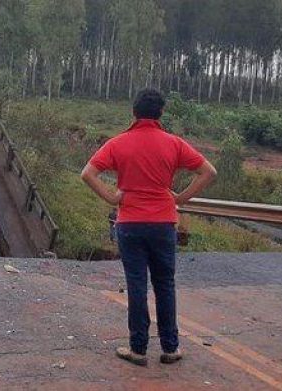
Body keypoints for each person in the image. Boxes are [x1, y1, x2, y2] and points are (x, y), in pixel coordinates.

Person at [81, 89, 217, 366]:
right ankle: (170, 348)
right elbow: (208, 172)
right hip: (163, 223)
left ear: (134, 113)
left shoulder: (118, 143)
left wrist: (111, 197)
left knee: (137, 285)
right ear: (161, 114)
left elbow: (88, 174)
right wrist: (179, 198)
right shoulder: (174, 144)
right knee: (165, 284)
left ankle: (138, 349)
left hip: (130, 223)